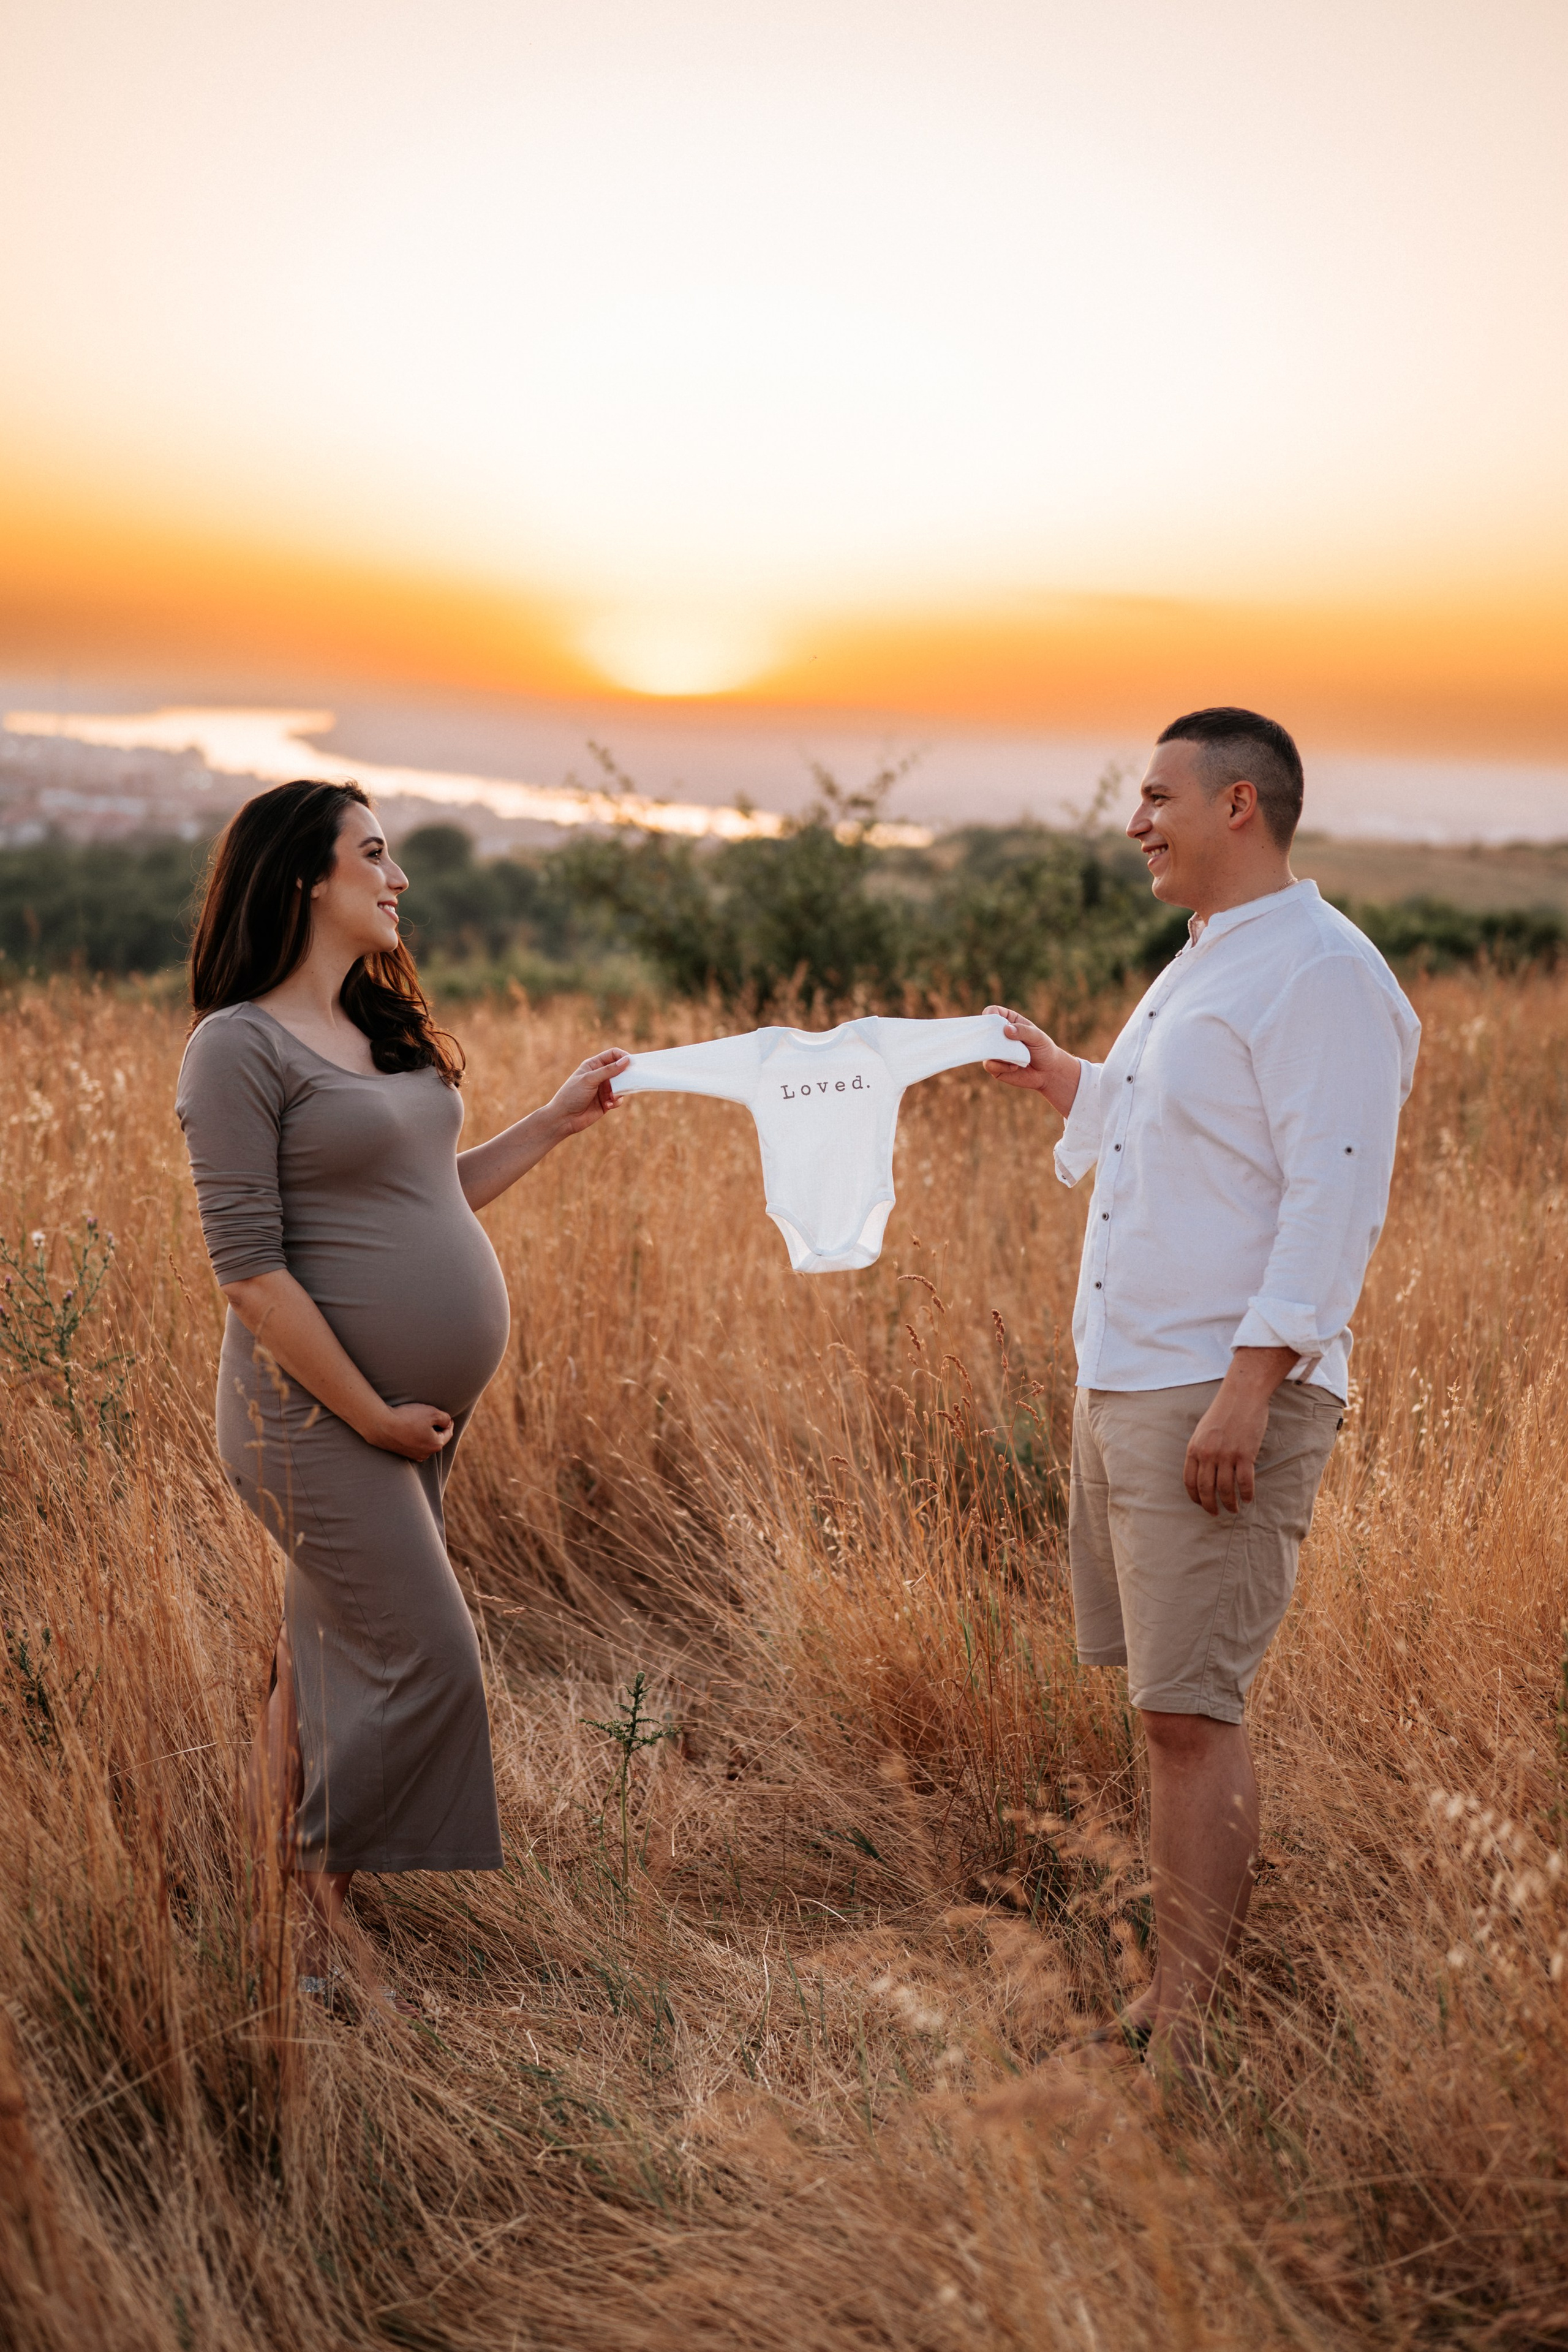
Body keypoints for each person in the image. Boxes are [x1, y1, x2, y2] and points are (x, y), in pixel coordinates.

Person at [985, 707, 1419, 2073]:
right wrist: (1063, 1076)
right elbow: (1173, 1125)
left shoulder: (1318, 974)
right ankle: (1176, 1991)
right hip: (1130, 1375)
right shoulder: (1205, 961)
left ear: (1240, 806)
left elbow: (1328, 1194)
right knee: (1162, 1705)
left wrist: (1248, 1390)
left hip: (1214, 1388)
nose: (1135, 823)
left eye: (1156, 796)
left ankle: (1187, 2023)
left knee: (1190, 1710)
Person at [176, 779, 628, 2003]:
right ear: (302, 880)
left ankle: (284, 1922)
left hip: (402, 1419)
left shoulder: (376, 1030)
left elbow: (424, 1200)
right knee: (428, 1653)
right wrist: (370, 1416)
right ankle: (322, 1919)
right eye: (374, 855)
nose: (399, 878)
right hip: (308, 1416)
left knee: (314, 1652)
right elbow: (251, 1278)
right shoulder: (238, 1047)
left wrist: (549, 1123)